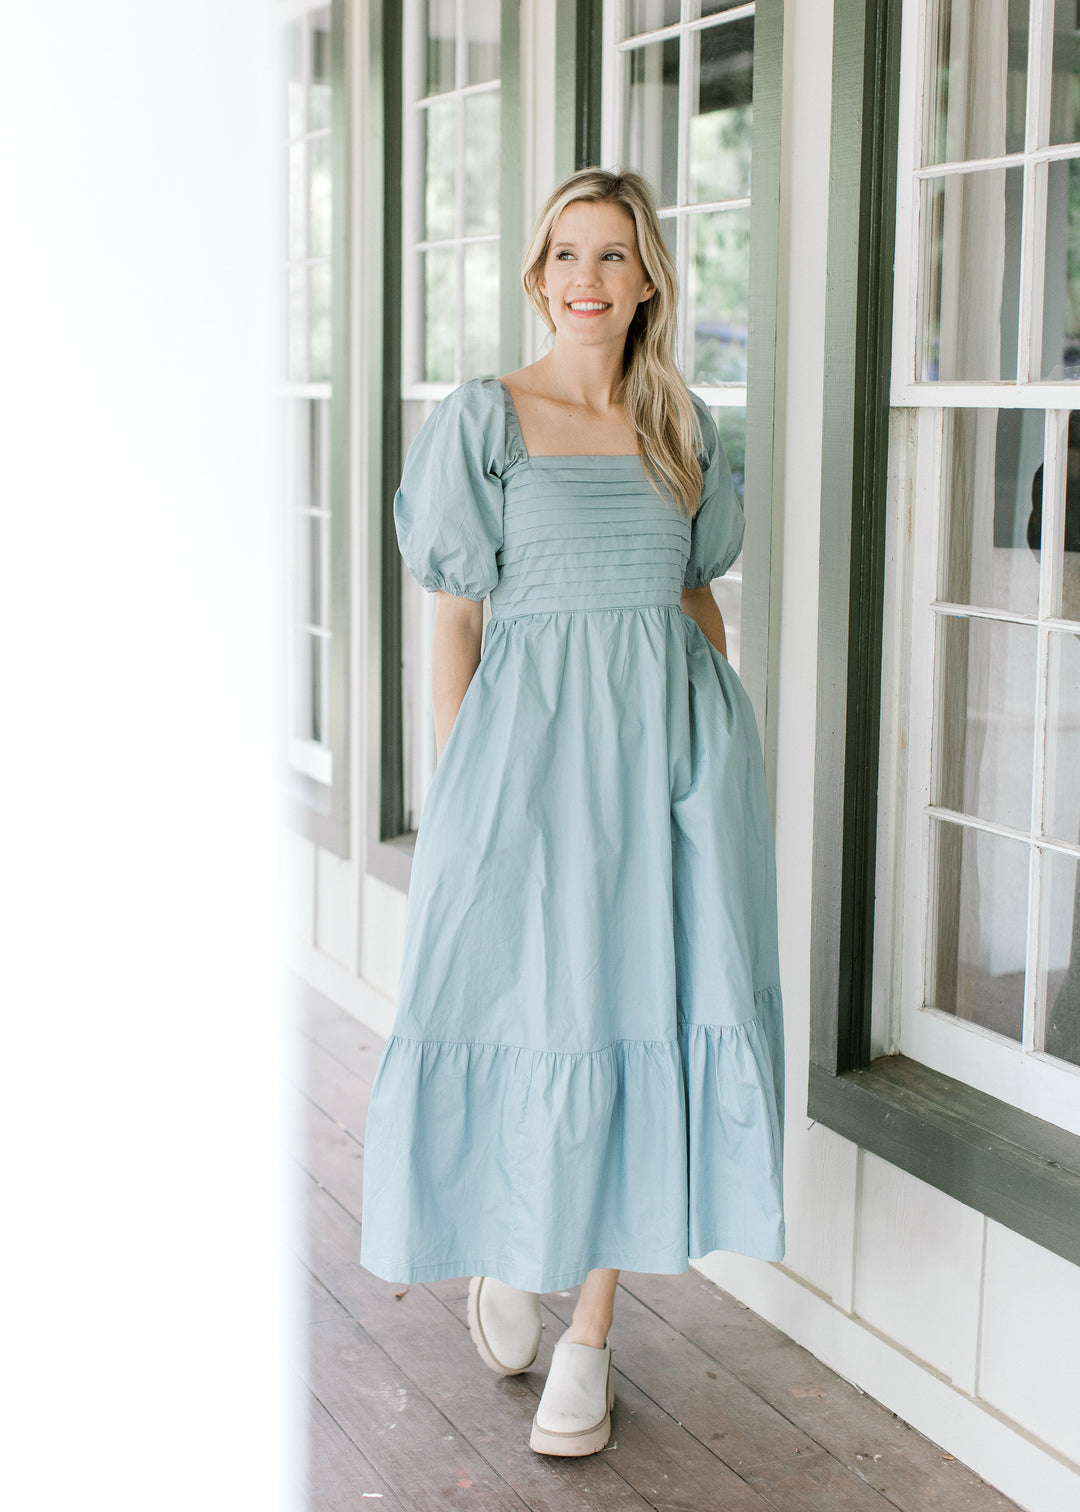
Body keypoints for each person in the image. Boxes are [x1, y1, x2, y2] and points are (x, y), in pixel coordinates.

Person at [359, 167, 785, 1459]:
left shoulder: (686, 431)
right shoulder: (489, 420)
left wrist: (718, 757)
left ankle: (590, 1334)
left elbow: (696, 606)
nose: (586, 279)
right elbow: (456, 618)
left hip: (666, 775)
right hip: (524, 778)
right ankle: (510, 1243)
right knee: (522, 1014)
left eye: (612, 255)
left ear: (649, 276)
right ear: (538, 277)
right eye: (564, 254)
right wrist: (458, 788)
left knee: (635, 1018)